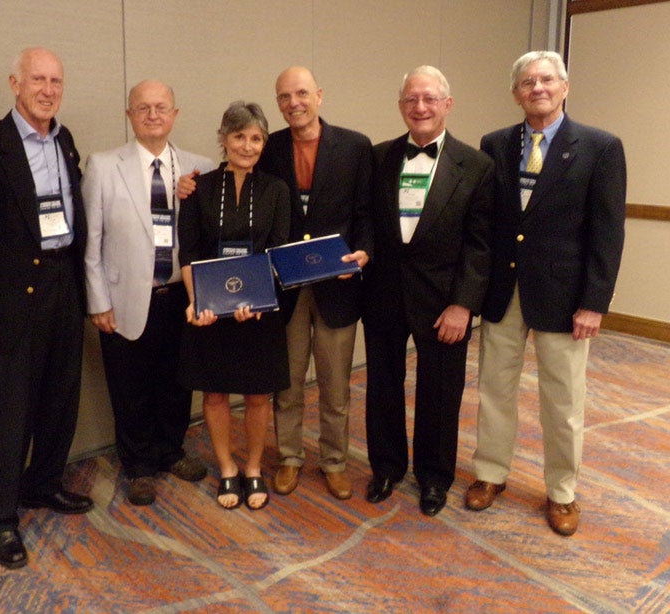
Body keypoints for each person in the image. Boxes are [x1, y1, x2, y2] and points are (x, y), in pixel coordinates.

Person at [465, 50, 626, 536]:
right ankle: (491, 473)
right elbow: (490, 223)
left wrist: (594, 303)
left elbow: (607, 231)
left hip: (565, 296)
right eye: (528, 82)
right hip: (504, 290)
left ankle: (562, 492)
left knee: (563, 399)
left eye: (547, 80)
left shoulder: (601, 147)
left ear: (565, 87)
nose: (537, 88)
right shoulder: (494, 144)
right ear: (516, 93)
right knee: (495, 389)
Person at [0, 47, 92, 570]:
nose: (48, 90)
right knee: (11, 410)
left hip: (63, 285)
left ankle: (44, 484)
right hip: (13, 297)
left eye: (56, 80)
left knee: (61, 394)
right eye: (38, 79)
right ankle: (2, 517)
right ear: (15, 83)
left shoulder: (65, 139)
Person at [362, 65, 494, 517]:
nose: (420, 107)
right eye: (411, 100)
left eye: (429, 99)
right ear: (401, 106)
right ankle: (386, 467)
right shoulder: (377, 158)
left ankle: (435, 477)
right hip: (382, 294)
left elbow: (481, 245)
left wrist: (463, 305)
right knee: (382, 384)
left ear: (447, 105)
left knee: (440, 391)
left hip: (444, 301)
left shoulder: (476, 165)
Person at [82, 80, 214, 506]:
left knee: (177, 381)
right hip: (124, 298)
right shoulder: (103, 166)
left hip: (181, 295)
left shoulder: (201, 168)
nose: (153, 114)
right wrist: (98, 301)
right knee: (130, 385)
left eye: (161, 107)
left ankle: (170, 451)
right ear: (129, 115)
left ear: (175, 113)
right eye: (143, 108)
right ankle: (138, 466)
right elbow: (92, 243)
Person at [261, 66, 372, 501]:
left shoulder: (355, 147)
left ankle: (335, 461)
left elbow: (366, 212)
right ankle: (289, 457)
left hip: (337, 285)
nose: (294, 103)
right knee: (286, 382)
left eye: (302, 93)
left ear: (319, 95)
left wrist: (364, 252)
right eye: (285, 97)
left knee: (335, 384)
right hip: (285, 288)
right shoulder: (268, 149)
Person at [178, 101, 291, 511]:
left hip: (259, 310)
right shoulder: (198, 188)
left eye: (256, 138)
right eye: (239, 136)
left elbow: (277, 252)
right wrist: (197, 302)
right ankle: (227, 467)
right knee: (215, 394)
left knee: (259, 395)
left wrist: (261, 300)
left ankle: (254, 466)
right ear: (224, 139)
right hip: (210, 311)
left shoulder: (277, 190)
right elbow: (188, 254)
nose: (248, 145)